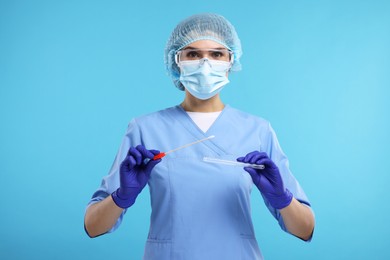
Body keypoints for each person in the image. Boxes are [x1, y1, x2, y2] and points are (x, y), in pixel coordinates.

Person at [84, 13, 315, 259]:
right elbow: (93, 226)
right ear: (176, 61)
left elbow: (305, 229)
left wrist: (282, 199)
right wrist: (122, 197)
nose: (205, 64)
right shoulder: (145, 129)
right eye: (193, 54)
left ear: (230, 61)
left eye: (217, 54)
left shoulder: (258, 130)